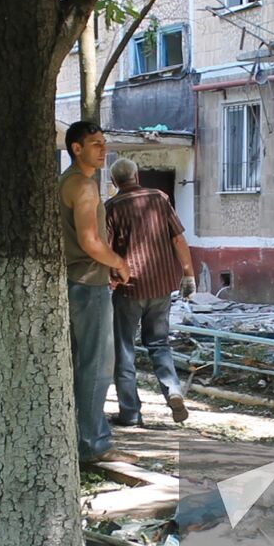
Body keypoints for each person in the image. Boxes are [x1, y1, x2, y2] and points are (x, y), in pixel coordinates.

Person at [59, 121, 132, 463]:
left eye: (104, 142)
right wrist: (118, 262)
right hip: (87, 283)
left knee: (80, 363)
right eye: (95, 144)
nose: (103, 149)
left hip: (77, 281)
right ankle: (93, 443)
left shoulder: (67, 183)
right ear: (76, 148)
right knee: (97, 365)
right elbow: (90, 242)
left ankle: (78, 437)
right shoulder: (83, 186)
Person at [105, 157, 193, 427]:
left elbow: (107, 250)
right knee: (159, 343)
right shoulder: (159, 197)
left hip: (129, 288)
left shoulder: (111, 207)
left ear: (114, 182)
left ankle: (130, 413)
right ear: (137, 176)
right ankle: (174, 391)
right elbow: (178, 238)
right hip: (161, 286)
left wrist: (110, 277)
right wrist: (188, 273)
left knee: (125, 349)